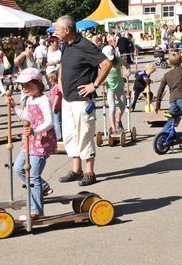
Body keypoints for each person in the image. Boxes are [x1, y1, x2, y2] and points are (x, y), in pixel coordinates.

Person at [55, 15, 112, 186]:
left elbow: (106, 64)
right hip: (68, 99)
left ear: (66, 30)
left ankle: (89, 172)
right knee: (70, 135)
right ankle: (76, 169)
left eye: (58, 29)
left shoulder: (85, 46)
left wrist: (94, 85)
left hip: (82, 100)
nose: (55, 32)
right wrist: (60, 82)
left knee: (84, 134)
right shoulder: (65, 45)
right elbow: (63, 66)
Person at [9, 68, 56, 220]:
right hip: (29, 141)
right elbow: (26, 117)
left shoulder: (44, 100)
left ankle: (36, 211)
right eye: (23, 86)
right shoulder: (29, 100)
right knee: (18, 168)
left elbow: (49, 122)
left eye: (28, 85)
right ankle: (44, 187)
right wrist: (14, 107)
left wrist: (35, 131)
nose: (25, 89)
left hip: (41, 142)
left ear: (38, 84)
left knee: (34, 175)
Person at [102, 45, 130, 133]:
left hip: (120, 86)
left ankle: (118, 120)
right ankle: (113, 128)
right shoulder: (102, 63)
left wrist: (127, 71)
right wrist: (102, 81)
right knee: (112, 108)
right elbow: (100, 74)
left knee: (122, 107)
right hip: (110, 88)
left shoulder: (118, 60)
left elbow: (127, 65)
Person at [48, 70, 62, 141]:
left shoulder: (56, 87)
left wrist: (53, 105)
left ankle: (59, 136)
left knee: (56, 122)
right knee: (57, 121)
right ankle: (59, 135)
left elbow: (57, 97)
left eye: (51, 78)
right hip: (56, 106)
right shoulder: (56, 86)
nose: (49, 80)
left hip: (56, 107)